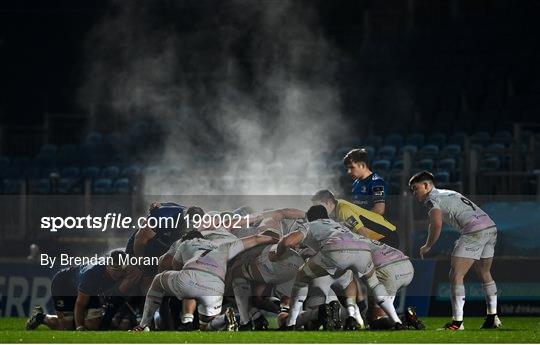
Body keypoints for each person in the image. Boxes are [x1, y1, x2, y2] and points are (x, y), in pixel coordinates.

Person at [270, 205, 404, 330]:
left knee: (302, 276)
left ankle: (291, 323)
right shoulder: (339, 224)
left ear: (310, 218)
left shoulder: (311, 225)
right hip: (362, 250)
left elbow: (287, 241)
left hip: (333, 255)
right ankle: (395, 320)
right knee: (372, 284)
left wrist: (277, 254)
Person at [131, 231, 278, 332]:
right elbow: (255, 239)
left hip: (190, 278)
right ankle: (228, 317)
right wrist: (278, 240)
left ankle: (144, 325)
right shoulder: (223, 247)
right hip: (215, 286)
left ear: (185, 238)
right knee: (206, 327)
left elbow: (177, 268)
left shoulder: (185, 244)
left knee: (158, 280)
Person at [409, 170, 501, 330]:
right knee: (485, 273)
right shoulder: (448, 192)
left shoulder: (432, 199)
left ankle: (457, 323)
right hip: (490, 227)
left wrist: (428, 245)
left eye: (415, 188)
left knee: (456, 274)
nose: (414, 193)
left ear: (426, 185)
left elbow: (436, 224)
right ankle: (492, 317)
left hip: (474, 231)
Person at [26, 250, 142, 331]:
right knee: (65, 327)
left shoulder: (124, 269)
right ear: (107, 266)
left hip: (88, 288)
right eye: (114, 270)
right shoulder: (92, 275)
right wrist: (79, 327)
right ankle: (40, 317)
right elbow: (80, 303)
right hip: (64, 285)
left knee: (94, 325)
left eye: (121, 270)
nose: (118, 274)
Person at [311, 189, 399, 248]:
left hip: (387, 237)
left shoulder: (343, 210)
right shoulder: (336, 205)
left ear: (328, 203)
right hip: (380, 237)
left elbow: (364, 236)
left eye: (319, 207)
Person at [343, 148, 387, 215]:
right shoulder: (356, 183)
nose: (348, 172)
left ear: (362, 166)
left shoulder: (377, 183)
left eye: (352, 167)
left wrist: (359, 219)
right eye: (347, 168)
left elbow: (379, 209)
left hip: (371, 225)